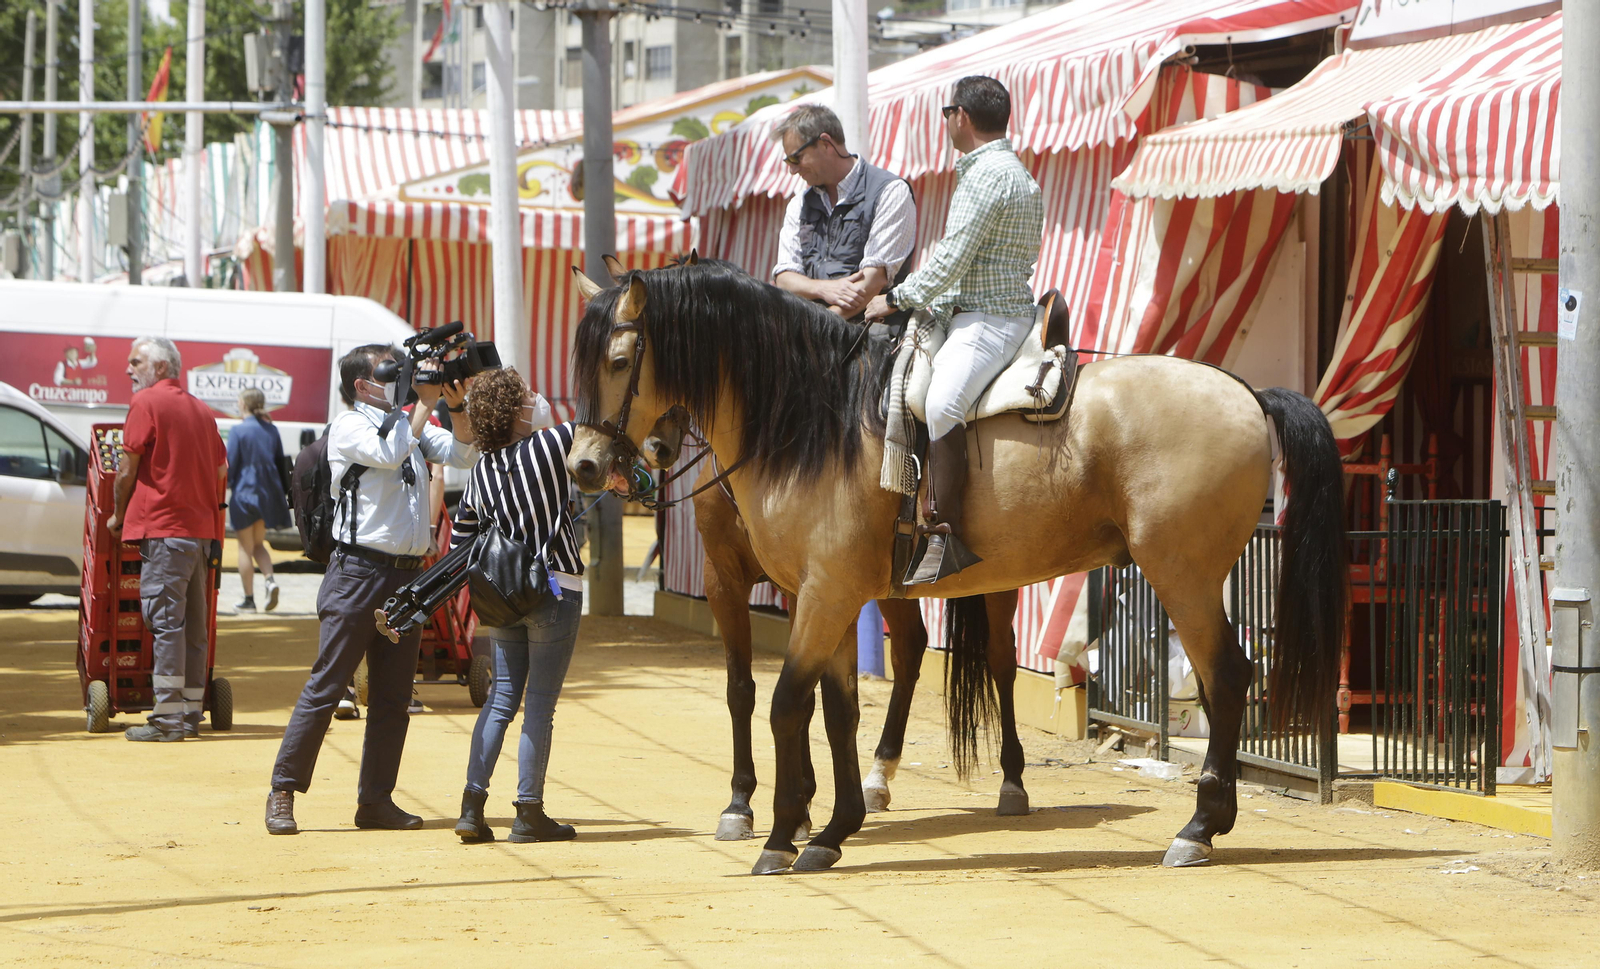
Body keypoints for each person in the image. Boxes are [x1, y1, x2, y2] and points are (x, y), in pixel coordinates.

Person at [265, 345, 477, 835]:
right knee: (327, 685)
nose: (402, 380)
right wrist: (424, 403)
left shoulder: (409, 423)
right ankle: (283, 789)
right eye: (390, 372)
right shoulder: (350, 425)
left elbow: (463, 453)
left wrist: (456, 404)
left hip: (406, 577)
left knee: (393, 697)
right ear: (362, 385)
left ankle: (376, 801)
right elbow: (389, 452)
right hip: (358, 573)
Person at [865, 75, 1044, 585]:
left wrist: (893, 298)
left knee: (942, 402)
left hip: (987, 318)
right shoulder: (1011, 171)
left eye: (947, 112)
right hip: (982, 311)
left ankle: (947, 534)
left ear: (960, 116)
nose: (946, 121)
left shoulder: (985, 175)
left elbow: (948, 261)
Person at [451, 367, 581, 845]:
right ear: (514, 410)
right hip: (554, 587)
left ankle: (472, 808)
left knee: (501, 699)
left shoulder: (479, 471)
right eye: (527, 395)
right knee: (540, 706)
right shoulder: (550, 445)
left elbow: (461, 542)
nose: (536, 399)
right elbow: (600, 424)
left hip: (502, 598)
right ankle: (529, 812)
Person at [106, 337, 228, 742]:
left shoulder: (146, 403)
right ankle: (189, 715)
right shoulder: (201, 409)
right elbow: (220, 469)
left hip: (164, 529)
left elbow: (127, 468)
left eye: (136, 362)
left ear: (159, 367)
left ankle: (167, 720)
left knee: (166, 624)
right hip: (201, 533)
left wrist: (118, 516)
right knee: (194, 629)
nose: (129, 369)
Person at [772, 104, 916, 318]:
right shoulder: (799, 203)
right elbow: (784, 278)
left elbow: (873, 281)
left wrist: (818, 328)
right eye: (788, 161)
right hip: (813, 328)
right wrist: (822, 288)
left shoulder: (890, 191)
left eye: (796, 158)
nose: (792, 170)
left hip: (873, 329)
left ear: (825, 144)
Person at [227, 388, 290, 612]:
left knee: (245, 548)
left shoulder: (238, 431)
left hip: (244, 496)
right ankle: (270, 580)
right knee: (258, 544)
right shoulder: (271, 430)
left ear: (243, 404)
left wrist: (227, 484)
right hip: (266, 495)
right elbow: (280, 463)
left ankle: (249, 600)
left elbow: (231, 465)